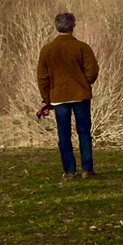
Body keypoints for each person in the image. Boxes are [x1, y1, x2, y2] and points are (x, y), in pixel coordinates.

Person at [36, 12, 99, 180]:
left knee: (63, 134)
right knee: (84, 132)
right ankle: (87, 169)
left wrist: (46, 97)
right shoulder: (82, 47)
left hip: (58, 97)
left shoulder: (47, 50)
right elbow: (92, 71)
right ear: (73, 26)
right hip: (80, 95)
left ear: (56, 27)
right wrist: (84, 83)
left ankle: (69, 171)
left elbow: (42, 77)